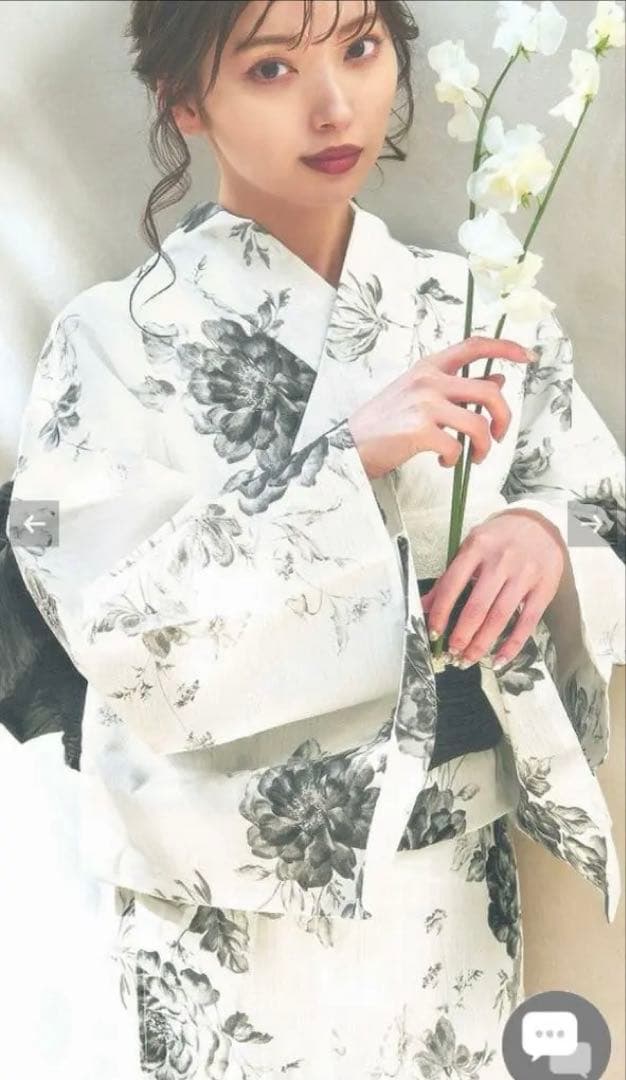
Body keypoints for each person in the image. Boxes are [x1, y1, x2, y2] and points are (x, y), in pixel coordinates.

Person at [5, 1, 625, 1076]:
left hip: (452, 873)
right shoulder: (108, 343)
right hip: (224, 906)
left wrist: (540, 533)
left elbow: (597, 500)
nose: (335, 105)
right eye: (271, 69)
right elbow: (115, 622)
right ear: (182, 100)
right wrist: (346, 457)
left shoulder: (479, 305)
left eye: (359, 48)